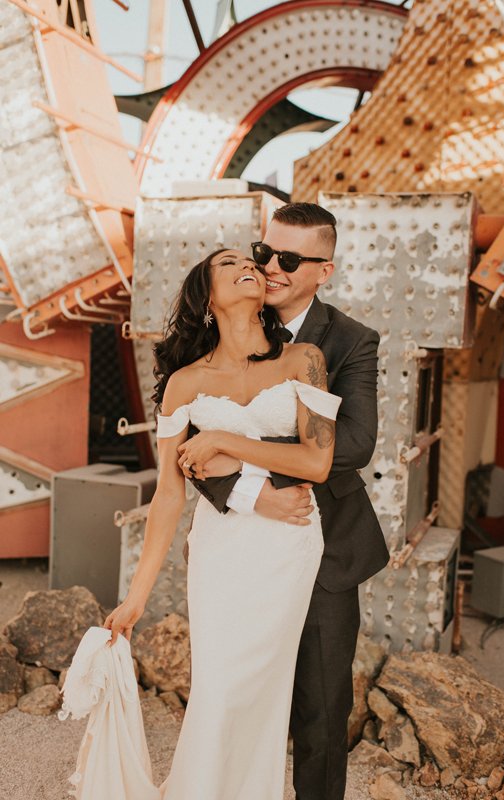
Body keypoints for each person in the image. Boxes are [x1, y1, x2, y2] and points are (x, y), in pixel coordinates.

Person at [102, 246, 343, 800]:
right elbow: (169, 494)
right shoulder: (184, 383)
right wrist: (137, 597)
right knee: (219, 686)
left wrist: (221, 440)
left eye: (251, 263)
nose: (249, 267)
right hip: (219, 548)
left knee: (262, 689)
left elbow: (317, 462)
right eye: (228, 263)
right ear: (206, 297)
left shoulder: (303, 360)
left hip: (288, 545)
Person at [186, 203, 391, 800]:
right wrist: (247, 489)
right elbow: (188, 440)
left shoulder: (351, 340)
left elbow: (355, 443)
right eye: (265, 251)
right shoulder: (217, 322)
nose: (271, 267)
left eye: (291, 259)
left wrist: (233, 444)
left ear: (324, 271)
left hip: (323, 548)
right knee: (229, 695)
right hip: (237, 546)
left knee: (321, 711)